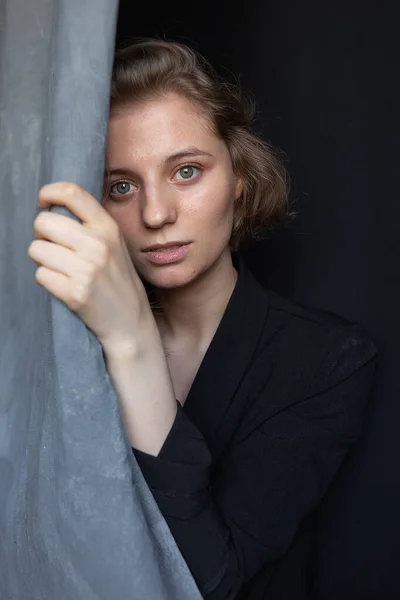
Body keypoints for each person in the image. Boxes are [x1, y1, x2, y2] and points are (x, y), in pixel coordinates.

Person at [28, 39, 377, 599]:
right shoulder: (60, 346)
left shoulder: (326, 359)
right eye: (121, 186)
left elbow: (208, 580)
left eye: (186, 171)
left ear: (239, 178)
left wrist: (133, 338)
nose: (156, 213)